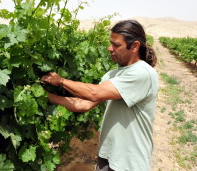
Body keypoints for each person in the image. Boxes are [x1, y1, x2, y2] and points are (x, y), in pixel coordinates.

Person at [41, 20, 158, 171]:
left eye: (116, 45)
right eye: (111, 43)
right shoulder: (113, 75)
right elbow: (84, 104)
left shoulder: (143, 73)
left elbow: (94, 93)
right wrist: (47, 96)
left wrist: (61, 81)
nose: (110, 49)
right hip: (108, 156)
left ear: (134, 46)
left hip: (130, 162)